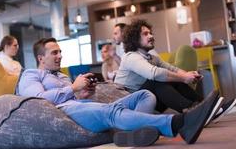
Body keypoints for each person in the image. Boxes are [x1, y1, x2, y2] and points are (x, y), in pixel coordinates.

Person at [16, 37, 219, 147]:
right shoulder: (31, 75)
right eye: (55, 52)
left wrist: (83, 92)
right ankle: (179, 124)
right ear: (40, 58)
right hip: (65, 111)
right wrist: (72, 89)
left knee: (145, 95)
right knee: (112, 113)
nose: (60, 55)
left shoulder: (60, 76)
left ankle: (128, 133)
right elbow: (37, 101)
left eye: (60, 51)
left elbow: (75, 94)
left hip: (81, 105)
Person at [114, 19, 236, 124]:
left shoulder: (152, 58)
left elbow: (172, 68)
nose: (151, 36)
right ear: (134, 39)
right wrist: (183, 78)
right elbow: (155, 73)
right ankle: (194, 112)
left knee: (172, 78)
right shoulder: (130, 57)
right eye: (145, 34)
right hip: (129, 108)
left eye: (150, 33)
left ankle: (206, 109)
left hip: (147, 101)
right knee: (156, 80)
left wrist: (187, 75)